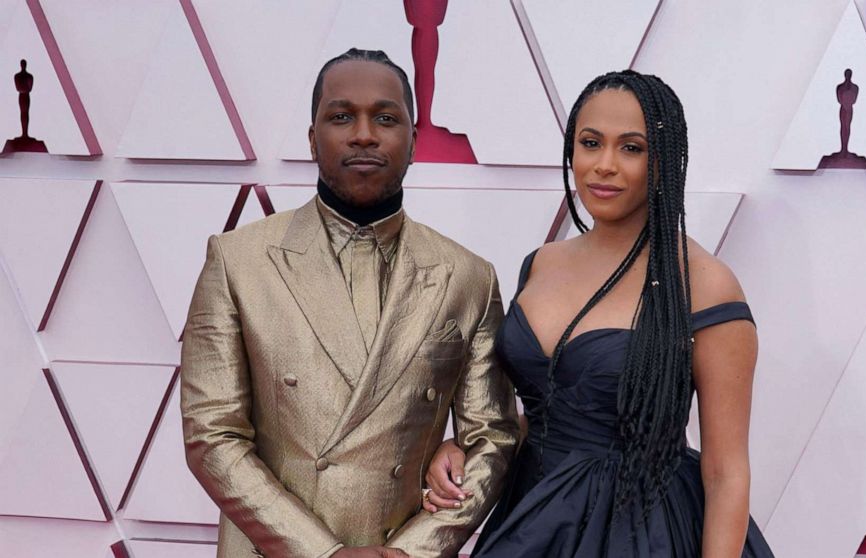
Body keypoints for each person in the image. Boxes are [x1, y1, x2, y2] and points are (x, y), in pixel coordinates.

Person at [181, 48, 519, 558]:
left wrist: (415, 551)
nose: (364, 134)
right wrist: (323, 552)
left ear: (413, 141)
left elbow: (491, 436)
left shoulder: (469, 277)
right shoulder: (237, 261)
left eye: (385, 118)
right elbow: (212, 435)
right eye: (342, 117)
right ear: (313, 138)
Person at [422, 70, 776, 557]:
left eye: (631, 148)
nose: (604, 165)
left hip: (639, 531)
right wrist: (465, 449)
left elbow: (726, 470)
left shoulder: (705, 284)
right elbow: (542, 408)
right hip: (531, 517)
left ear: (664, 160)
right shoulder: (543, 262)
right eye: (591, 143)